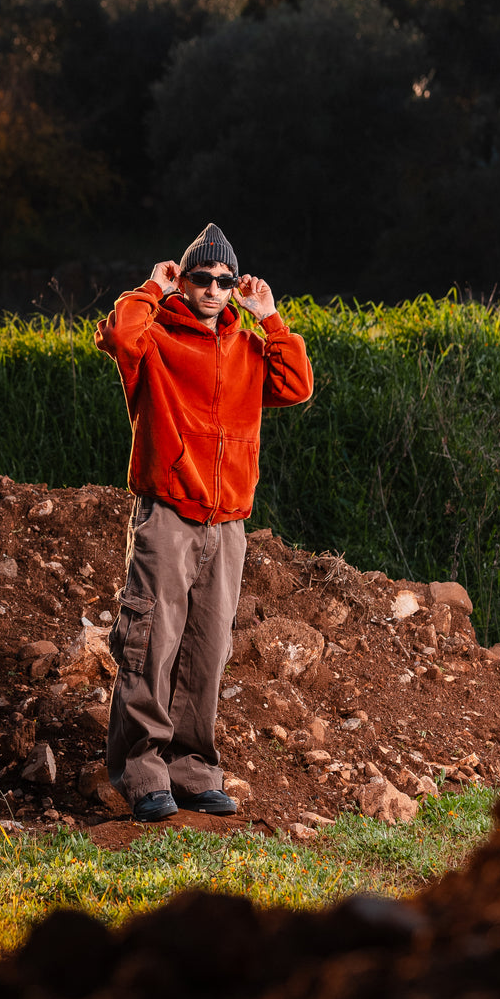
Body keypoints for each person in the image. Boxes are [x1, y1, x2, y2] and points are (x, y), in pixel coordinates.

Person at [94, 223, 314, 822]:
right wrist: (151, 286)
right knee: (150, 642)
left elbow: (296, 385)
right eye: (201, 278)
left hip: (228, 523)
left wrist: (268, 317)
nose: (214, 289)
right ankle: (143, 775)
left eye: (224, 280)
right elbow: (116, 333)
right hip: (168, 512)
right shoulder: (157, 341)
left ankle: (194, 773)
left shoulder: (247, 345)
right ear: (184, 282)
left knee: (206, 648)